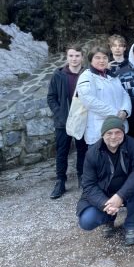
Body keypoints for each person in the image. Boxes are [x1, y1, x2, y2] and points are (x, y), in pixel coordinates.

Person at [76, 116, 134, 246]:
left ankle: (132, 224)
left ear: (123, 133)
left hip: (127, 190)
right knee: (86, 220)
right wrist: (104, 204)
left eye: (118, 132)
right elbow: (88, 184)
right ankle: (109, 218)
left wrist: (120, 195)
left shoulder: (133, 145)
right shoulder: (92, 153)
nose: (113, 137)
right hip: (104, 195)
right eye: (109, 133)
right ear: (103, 134)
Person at [47, 44, 88, 199]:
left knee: (82, 150)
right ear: (67, 57)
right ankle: (60, 182)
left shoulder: (87, 74)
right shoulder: (58, 75)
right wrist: (60, 115)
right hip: (63, 122)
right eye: (71, 55)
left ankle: (82, 177)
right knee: (62, 152)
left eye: (77, 55)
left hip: (82, 120)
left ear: (82, 57)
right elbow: (51, 97)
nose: (74, 58)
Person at [76, 46, 132, 147]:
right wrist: (116, 114)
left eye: (105, 58)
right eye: (97, 58)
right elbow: (89, 101)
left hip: (119, 129)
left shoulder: (113, 76)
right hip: (99, 132)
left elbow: (124, 94)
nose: (102, 61)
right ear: (91, 60)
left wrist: (125, 111)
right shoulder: (86, 77)